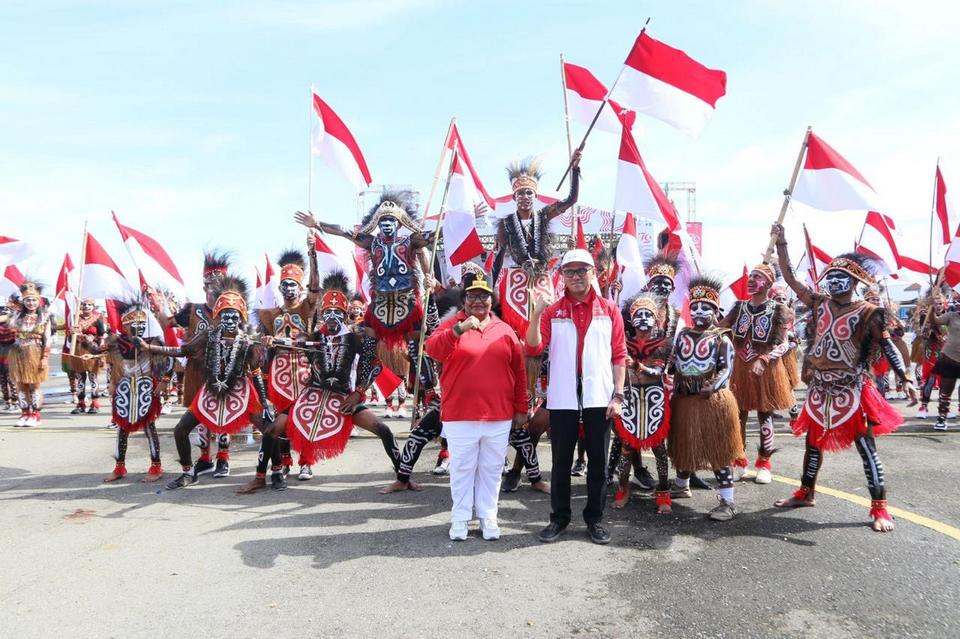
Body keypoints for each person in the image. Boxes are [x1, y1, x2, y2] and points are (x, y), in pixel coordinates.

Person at [772, 224, 918, 533]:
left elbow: (887, 345)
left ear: (854, 282)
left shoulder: (870, 312)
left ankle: (879, 507)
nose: (835, 282)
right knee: (813, 444)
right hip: (820, 388)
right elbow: (789, 277)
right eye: (831, 277)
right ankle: (805, 492)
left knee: (866, 448)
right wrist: (782, 244)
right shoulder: (818, 303)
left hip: (853, 389)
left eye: (842, 278)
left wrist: (905, 376)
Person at [527, 248, 627, 545]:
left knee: (598, 461)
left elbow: (619, 355)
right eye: (569, 271)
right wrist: (535, 313)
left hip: (600, 396)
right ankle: (559, 519)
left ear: (592, 273)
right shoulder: (553, 310)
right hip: (562, 396)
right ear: (562, 277)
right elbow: (533, 348)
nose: (576, 277)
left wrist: (618, 396)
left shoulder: (609, 309)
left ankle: (595, 519)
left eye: (582, 270)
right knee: (560, 462)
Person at [140, 275, 276, 490]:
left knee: (270, 430)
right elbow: (183, 350)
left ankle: (269, 474)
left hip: (240, 392)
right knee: (180, 430)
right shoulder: (208, 335)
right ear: (218, 317)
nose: (229, 321)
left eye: (234, 317)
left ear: (240, 318)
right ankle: (187, 472)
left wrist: (265, 400)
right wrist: (151, 348)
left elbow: (256, 372)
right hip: (210, 391)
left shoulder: (249, 341)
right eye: (225, 316)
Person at [425, 273, 527, 541]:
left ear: (492, 301)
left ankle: (488, 516)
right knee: (462, 468)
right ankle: (460, 518)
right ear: (464, 300)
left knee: (492, 469)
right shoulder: (451, 325)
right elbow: (432, 349)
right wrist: (458, 330)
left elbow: (519, 372)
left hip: (499, 415)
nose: (479, 301)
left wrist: (521, 408)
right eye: (472, 296)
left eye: (484, 296)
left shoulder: (505, 331)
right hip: (460, 414)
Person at [667, 276, 744, 521]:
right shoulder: (682, 336)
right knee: (684, 442)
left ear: (716, 310)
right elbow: (674, 363)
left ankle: (727, 501)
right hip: (684, 399)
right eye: (695, 308)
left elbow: (726, 370)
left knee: (718, 450)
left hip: (713, 402)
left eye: (705, 308)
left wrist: (712, 386)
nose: (699, 312)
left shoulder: (722, 338)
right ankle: (682, 485)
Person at [154, 251, 233, 477]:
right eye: (209, 283)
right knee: (199, 414)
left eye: (218, 283)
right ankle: (205, 457)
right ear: (203, 285)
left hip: (224, 369)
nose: (213, 287)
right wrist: (159, 306)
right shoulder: (191, 310)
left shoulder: (231, 309)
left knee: (222, 414)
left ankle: (223, 459)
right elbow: (167, 324)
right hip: (197, 369)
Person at [720, 263, 794, 484]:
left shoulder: (778, 310)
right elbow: (720, 329)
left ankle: (764, 464)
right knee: (738, 415)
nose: (751, 280)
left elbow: (783, 344)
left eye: (757, 277)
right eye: (750, 276)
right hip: (741, 369)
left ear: (768, 283)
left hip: (766, 369)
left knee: (765, 415)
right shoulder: (739, 307)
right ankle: (739, 460)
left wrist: (764, 358)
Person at [256, 244, 320, 480]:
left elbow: (315, 287)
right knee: (280, 417)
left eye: (294, 284)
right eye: (286, 284)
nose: (289, 288)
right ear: (280, 287)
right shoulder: (271, 313)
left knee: (303, 416)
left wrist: (312, 255)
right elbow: (259, 341)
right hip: (279, 372)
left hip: (303, 368)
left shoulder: (306, 307)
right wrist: (265, 340)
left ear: (300, 287)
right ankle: (285, 461)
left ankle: (306, 462)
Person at [612, 293, 675, 514]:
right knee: (626, 448)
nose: (644, 318)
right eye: (639, 314)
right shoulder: (622, 342)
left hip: (653, 399)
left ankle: (664, 493)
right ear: (631, 319)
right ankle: (622, 489)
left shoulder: (664, 344)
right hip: (630, 398)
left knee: (659, 449)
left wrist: (638, 366)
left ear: (657, 319)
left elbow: (658, 371)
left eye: (648, 314)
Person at [98, 299, 172, 482]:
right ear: (125, 324)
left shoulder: (153, 341)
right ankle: (119, 467)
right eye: (132, 323)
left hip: (146, 388)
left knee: (149, 427)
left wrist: (164, 381)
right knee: (122, 428)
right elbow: (96, 351)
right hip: (125, 389)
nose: (137, 327)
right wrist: (84, 342)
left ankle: (156, 466)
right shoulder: (116, 341)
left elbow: (169, 359)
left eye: (141, 323)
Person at [6, 282, 51, 427]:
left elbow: (48, 340)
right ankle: (24, 413)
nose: (31, 303)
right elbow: (7, 323)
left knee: (34, 385)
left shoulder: (44, 317)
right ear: (23, 301)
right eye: (28, 300)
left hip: (36, 353)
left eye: (34, 300)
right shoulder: (17, 316)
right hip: (18, 353)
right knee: (20, 385)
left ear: (38, 301)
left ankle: (35, 415)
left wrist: (44, 358)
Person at [65, 298, 107, 414]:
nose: (86, 306)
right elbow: (69, 338)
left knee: (93, 378)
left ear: (93, 306)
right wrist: (72, 333)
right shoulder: (75, 319)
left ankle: (95, 403)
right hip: (78, 351)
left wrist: (101, 353)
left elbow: (102, 336)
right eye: (84, 304)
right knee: (80, 379)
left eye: (89, 305)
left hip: (92, 351)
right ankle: (81, 403)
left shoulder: (98, 318)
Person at [929, 289, 960, 431]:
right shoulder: (952, 316)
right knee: (946, 390)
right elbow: (935, 320)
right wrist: (931, 309)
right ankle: (942, 418)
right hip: (949, 358)